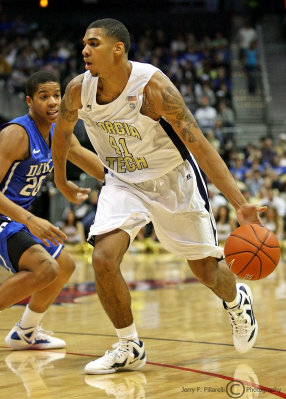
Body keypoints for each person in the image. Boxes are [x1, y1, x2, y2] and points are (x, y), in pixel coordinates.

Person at [52, 18, 266, 374]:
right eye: (84, 44)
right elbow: (62, 135)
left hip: (171, 179)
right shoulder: (77, 90)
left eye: (93, 43)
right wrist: (60, 180)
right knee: (103, 259)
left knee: (206, 272)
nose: (84, 50)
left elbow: (201, 147)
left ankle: (236, 301)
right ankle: (129, 345)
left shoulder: (154, 88)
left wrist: (240, 204)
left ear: (118, 48)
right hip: (122, 180)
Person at [0, 71, 104, 350]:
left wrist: (128, 181)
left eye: (57, 95)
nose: (53, 102)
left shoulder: (58, 132)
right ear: (29, 102)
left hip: (16, 218)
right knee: (45, 268)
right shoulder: (16, 134)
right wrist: (31, 219)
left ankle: (26, 331)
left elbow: (87, 159)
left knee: (64, 266)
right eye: (44, 96)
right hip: (5, 217)